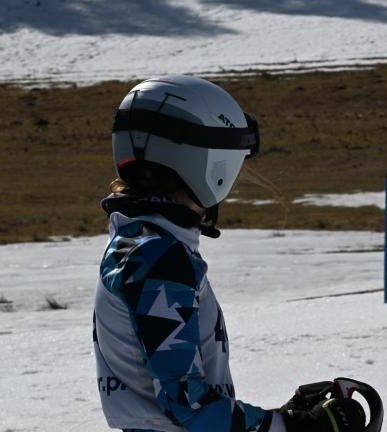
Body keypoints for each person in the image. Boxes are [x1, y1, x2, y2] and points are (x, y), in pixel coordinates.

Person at [92, 75, 369, 432]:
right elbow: (188, 406)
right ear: (205, 162)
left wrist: (283, 418)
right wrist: (293, 427)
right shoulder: (159, 259)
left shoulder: (139, 243)